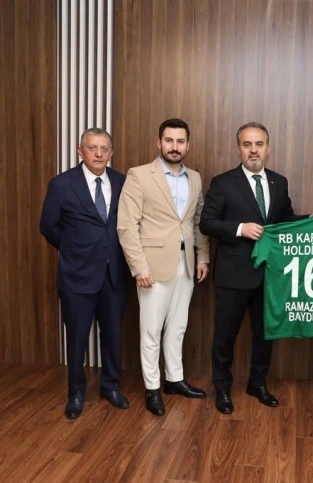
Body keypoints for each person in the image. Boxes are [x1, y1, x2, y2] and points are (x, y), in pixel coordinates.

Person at [200, 122, 313, 414]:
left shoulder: (279, 182)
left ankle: (257, 383)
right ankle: (222, 388)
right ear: (239, 149)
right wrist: (240, 228)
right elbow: (207, 223)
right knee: (225, 335)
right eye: (247, 144)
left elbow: (285, 221)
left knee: (265, 333)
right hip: (233, 274)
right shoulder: (223, 182)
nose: (253, 150)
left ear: (268, 148)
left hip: (271, 275)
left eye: (259, 144)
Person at [117, 118, 210, 416]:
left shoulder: (195, 178)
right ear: (159, 143)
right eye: (169, 140)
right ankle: (152, 388)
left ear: (187, 145)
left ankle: (174, 379)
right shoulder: (139, 175)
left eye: (180, 141)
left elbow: (197, 221)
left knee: (178, 325)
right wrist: (139, 267)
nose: (174, 146)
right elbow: (126, 226)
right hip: (152, 267)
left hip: (186, 264)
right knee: (151, 330)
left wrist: (203, 256)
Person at [40, 128, 130, 419]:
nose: (99, 154)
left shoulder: (122, 182)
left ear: (111, 152)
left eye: (104, 148)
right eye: (92, 148)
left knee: (113, 336)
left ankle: (110, 387)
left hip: (114, 274)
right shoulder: (62, 184)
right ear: (80, 151)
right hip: (77, 276)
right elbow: (48, 226)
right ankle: (76, 392)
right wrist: (74, 250)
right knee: (77, 338)